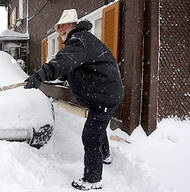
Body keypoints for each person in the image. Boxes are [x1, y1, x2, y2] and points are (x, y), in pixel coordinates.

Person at [24, 9, 124, 190]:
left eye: (64, 25)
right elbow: (69, 68)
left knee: (91, 135)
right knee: (98, 126)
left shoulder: (79, 41)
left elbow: (61, 62)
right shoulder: (81, 41)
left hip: (104, 96)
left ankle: (93, 180)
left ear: (73, 25)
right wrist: (49, 77)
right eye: (59, 27)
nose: (60, 29)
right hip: (106, 94)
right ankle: (106, 155)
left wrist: (40, 76)